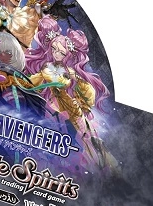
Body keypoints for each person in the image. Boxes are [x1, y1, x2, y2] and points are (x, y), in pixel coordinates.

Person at [25, 17, 113, 167]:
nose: (56, 54)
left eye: (61, 52)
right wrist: (23, 82)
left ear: (68, 55)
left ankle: (98, 165)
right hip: (53, 107)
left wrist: (79, 97)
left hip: (71, 109)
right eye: (54, 49)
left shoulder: (70, 72)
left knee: (86, 139)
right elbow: (36, 80)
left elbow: (87, 90)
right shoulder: (47, 67)